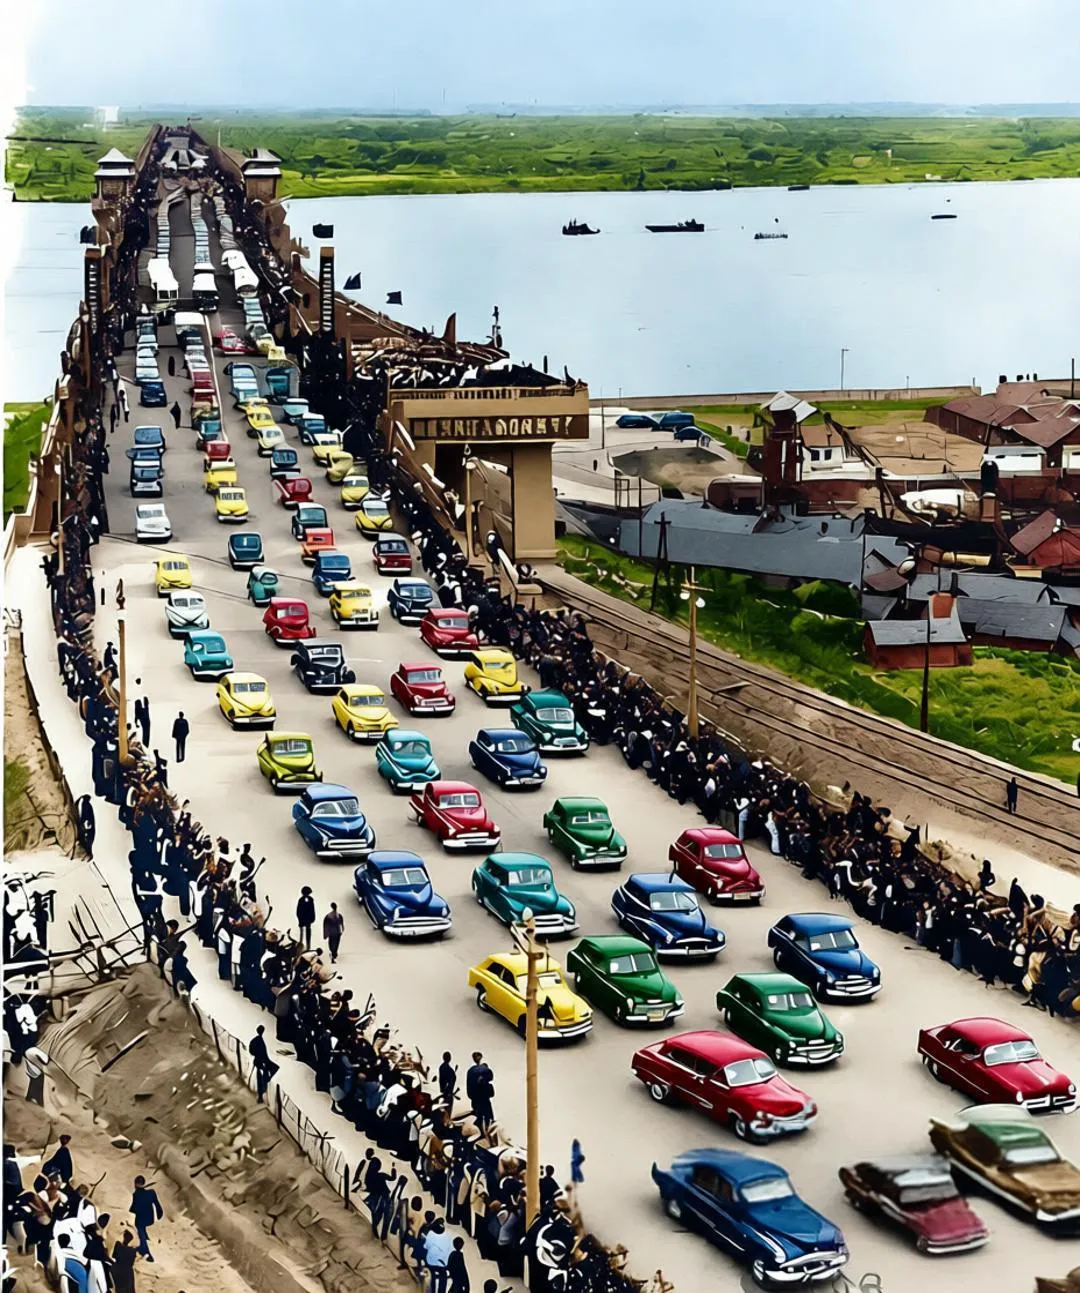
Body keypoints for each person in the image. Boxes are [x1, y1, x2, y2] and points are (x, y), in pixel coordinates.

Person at [129, 1175, 163, 1261]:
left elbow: (133, 1209)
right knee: (141, 1227)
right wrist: (159, 1213)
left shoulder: (135, 1195)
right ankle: (146, 1239)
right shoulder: (151, 1193)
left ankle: (146, 1252)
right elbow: (157, 1204)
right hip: (150, 1219)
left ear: (135, 1184)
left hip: (140, 1220)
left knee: (140, 1231)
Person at [466, 1052, 495, 1133]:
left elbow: (469, 1086)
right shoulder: (485, 1070)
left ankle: (480, 1131)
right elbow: (490, 1077)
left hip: (476, 1098)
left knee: (479, 1116)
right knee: (487, 1116)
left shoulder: (471, 1071)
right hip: (483, 1097)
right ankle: (487, 1131)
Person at [248, 1025, 277, 1103]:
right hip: (261, 1062)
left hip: (261, 1061)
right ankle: (262, 1092)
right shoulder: (259, 1041)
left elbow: (251, 1050)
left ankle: (263, 1091)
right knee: (261, 1077)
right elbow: (255, 1051)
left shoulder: (255, 1040)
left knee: (261, 1076)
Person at [423, 1218, 452, 1293]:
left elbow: (426, 1246)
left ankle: (432, 1290)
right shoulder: (448, 1236)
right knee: (443, 1275)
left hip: (431, 1262)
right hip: (442, 1263)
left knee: (431, 1273)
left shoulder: (430, 1234)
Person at [296, 886, 315, 951]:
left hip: (307, 919)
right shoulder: (302, 900)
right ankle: (302, 946)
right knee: (303, 933)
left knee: (306, 933)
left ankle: (307, 947)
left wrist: (312, 918)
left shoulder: (309, 899)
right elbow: (298, 911)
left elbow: (312, 910)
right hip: (304, 919)